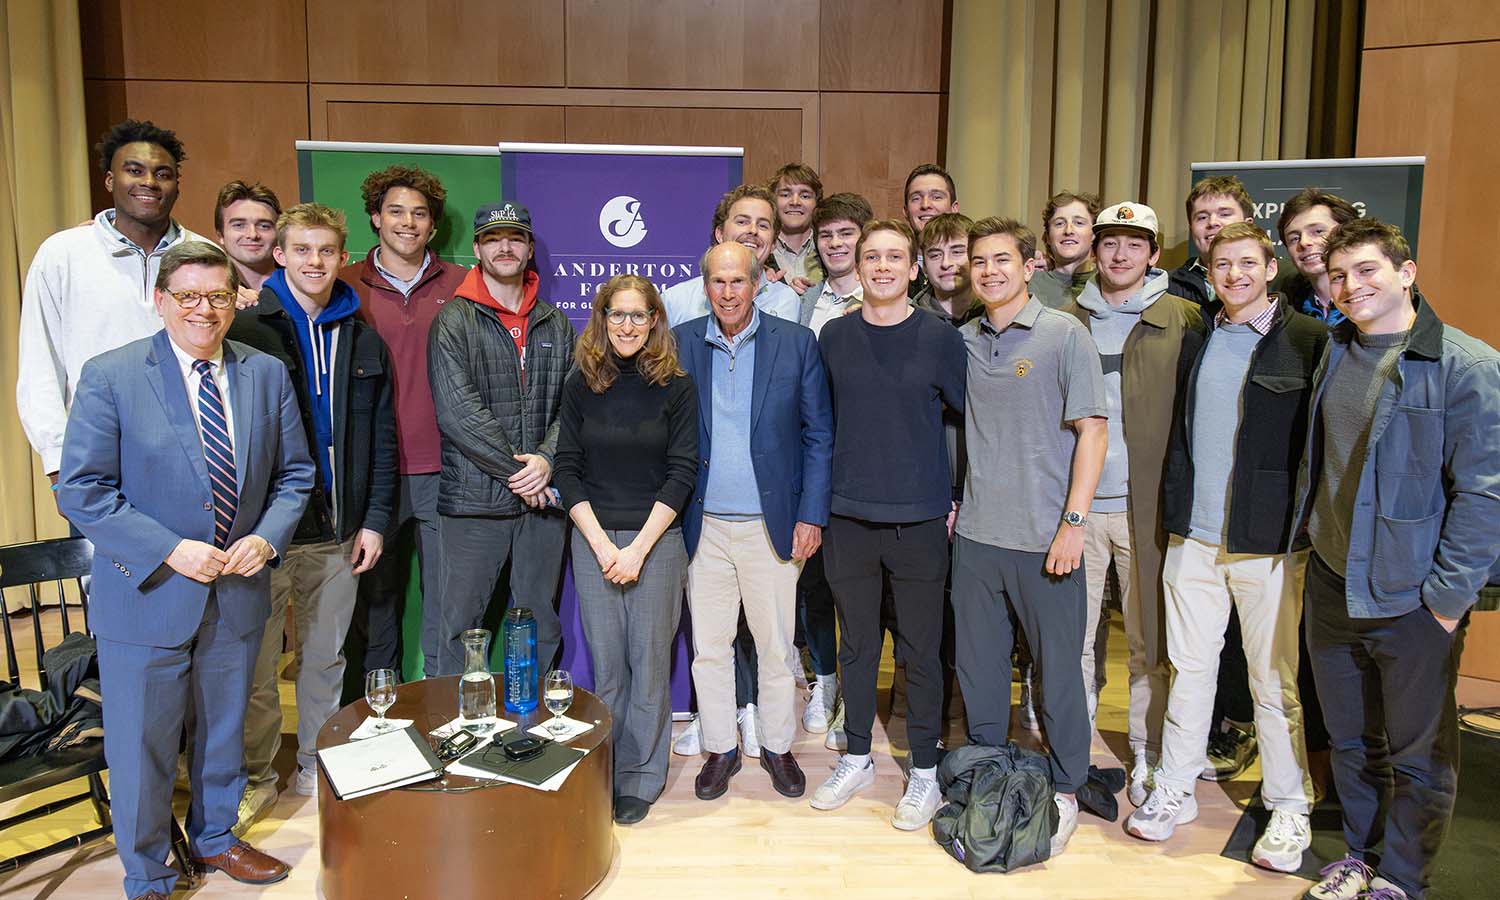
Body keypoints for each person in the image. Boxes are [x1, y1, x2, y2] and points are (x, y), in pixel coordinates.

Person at [57, 241, 314, 900]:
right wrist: (169, 549)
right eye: (190, 296)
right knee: (143, 747)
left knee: (223, 728)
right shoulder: (111, 375)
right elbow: (83, 490)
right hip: (148, 592)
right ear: (161, 300)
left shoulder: (263, 373)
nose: (205, 310)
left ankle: (217, 838)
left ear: (236, 300)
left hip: (237, 589)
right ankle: (147, 873)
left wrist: (267, 536)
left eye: (219, 296)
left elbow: (295, 474)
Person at [1294, 219, 1500, 900]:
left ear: (1407, 273)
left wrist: (1446, 601)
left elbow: (1484, 494)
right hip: (1331, 584)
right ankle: (1361, 856)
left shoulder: (1467, 365)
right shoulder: (1335, 349)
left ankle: (1404, 881)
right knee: (1352, 743)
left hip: (1411, 598)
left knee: (1418, 755)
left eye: (1368, 271)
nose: (1351, 286)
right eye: (1339, 274)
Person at [1126, 222, 1325, 875]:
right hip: (1194, 538)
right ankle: (1174, 788)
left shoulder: (1308, 340)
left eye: (1247, 262)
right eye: (1222, 264)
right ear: (1208, 273)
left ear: (1271, 267)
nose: (1235, 274)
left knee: (1272, 683)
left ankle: (1289, 803)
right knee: (1190, 671)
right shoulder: (1200, 338)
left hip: (1267, 545)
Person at [230, 203, 398, 821]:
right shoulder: (247, 329)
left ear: (341, 256)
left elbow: (383, 437)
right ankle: (254, 775)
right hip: (262, 534)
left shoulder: (362, 335)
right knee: (255, 665)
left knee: (325, 658)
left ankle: (314, 767)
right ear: (279, 254)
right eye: (302, 250)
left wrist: (375, 518)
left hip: (338, 530)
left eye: (326, 251)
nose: (314, 262)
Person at [951, 217, 1108, 856]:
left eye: (1001, 260)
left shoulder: (1064, 335)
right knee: (979, 667)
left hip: (1049, 538)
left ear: (1029, 264)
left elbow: (1093, 433)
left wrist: (1073, 524)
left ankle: (1068, 785)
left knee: (1058, 672)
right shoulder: (961, 340)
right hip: (979, 539)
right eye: (979, 262)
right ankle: (990, 772)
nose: (989, 271)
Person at [810, 219, 965, 831]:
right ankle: (857, 756)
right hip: (848, 516)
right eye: (871, 255)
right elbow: (820, 427)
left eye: (894, 256)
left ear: (914, 268)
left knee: (922, 652)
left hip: (921, 518)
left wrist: (956, 496)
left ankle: (923, 769)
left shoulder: (940, 338)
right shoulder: (835, 337)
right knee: (857, 647)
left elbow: (968, 422)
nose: (880, 266)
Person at [674, 242, 833, 801]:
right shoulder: (681, 342)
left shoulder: (795, 343)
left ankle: (777, 745)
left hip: (775, 525)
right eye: (717, 281)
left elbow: (818, 436)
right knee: (710, 647)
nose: (728, 292)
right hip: (703, 525)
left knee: (775, 647)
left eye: (738, 281)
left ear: (758, 283)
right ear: (706, 285)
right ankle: (721, 748)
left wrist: (811, 514)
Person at [1061, 201, 1206, 806]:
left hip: (1148, 506)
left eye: (1134, 244)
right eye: (1110, 243)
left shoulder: (1187, 318)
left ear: (1153, 252)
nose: (1120, 255)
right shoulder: (1065, 317)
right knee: (1073, 635)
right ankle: (1074, 750)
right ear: (1095, 250)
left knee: (1149, 641)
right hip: (1079, 505)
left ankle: (1149, 752)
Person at [554, 274, 698, 826]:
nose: (628, 326)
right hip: (593, 538)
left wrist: (636, 550)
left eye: (639, 315)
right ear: (601, 318)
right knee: (608, 667)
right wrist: (599, 544)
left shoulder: (677, 387)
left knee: (649, 664)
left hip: (655, 543)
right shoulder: (580, 383)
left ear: (655, 321)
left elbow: (681, 471)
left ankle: (641, 777)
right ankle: (607, 771)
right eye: (618, 315)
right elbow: (567, 467)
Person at [18, 119, 208, 496]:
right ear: (109, 180)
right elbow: (41, 364)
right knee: (110, 559)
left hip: (195, 460)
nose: (150, 182)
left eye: (163, 173)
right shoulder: (63, 254)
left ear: (176, 186)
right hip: (97, 462)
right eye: (134, 170)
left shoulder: (203, 255)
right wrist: (59, 466)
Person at [428, 201, 575, 675]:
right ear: (476, 249)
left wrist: (547, 460)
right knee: (462, 626)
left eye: (515, 238)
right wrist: (523, 474)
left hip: (542, 504)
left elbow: (572, 407)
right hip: (475, 502)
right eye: (493, 239)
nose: (505, 247)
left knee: (539, 623)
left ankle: (529, 728)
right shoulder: (454, 320)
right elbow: (458, 412)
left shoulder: (555, 323)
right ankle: (457, 732)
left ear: (530, 248)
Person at [343, 165, 467, 677]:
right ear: (375, 217)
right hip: (373, 473)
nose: (408, 223)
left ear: (433, 227)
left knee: (445, 604)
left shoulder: (464, 284)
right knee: (374, 605)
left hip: (446, 467)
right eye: (395, 211)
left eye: (419, 214)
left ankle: (443, 712)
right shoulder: (345, 284)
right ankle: (378, 720)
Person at [662, 184, 800, 326]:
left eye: (763, 225)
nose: (753, 230)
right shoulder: (675, 301)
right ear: (720, 234)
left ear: (773, 244)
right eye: (742, 222)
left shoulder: (788, 302)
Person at [1276, 187, 1361, 327]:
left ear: (1349, 233)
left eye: (1318, 231)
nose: (1304, 242)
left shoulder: (1377, 303)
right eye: (1294, 238)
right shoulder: (1284, 314)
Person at [1167, 175, 1254, 306]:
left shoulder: (1275, 280)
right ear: (1191, 228)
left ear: (1248, 225)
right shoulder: (1166, 286)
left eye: (1224, 214)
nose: (1212, 222)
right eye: (1202, 217)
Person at [1031, 191, 1101, 309]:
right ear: (1047, 236)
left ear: (1093, 234)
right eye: (1059, 224)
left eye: (1079, 223)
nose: (1068, 231)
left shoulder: (1109, 283)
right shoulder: (1029, 282)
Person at [902, 164, 960, 299]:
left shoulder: (975, 263)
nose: (926, 205)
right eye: (916, 198)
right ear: (906, 211)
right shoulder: (894, 267)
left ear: (954, 208)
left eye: (937, 197)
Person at [213, 181, 281, 294]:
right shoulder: (208, 292)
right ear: (220, 235)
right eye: (239, 225)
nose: (253, 235)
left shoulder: (302, 286)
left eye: (264, 226)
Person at [912, 212, 979, 325]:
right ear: (925, 267)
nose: (946, 263)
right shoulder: (910, 320)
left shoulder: (996, 314)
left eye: (957, 252)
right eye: (935, 255)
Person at [767, 163, 825, 294]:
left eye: (805, 196)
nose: (795, 202)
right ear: (773, 201)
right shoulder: (760, 252)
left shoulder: (830, 250)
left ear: (817, 203)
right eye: (785, 194)